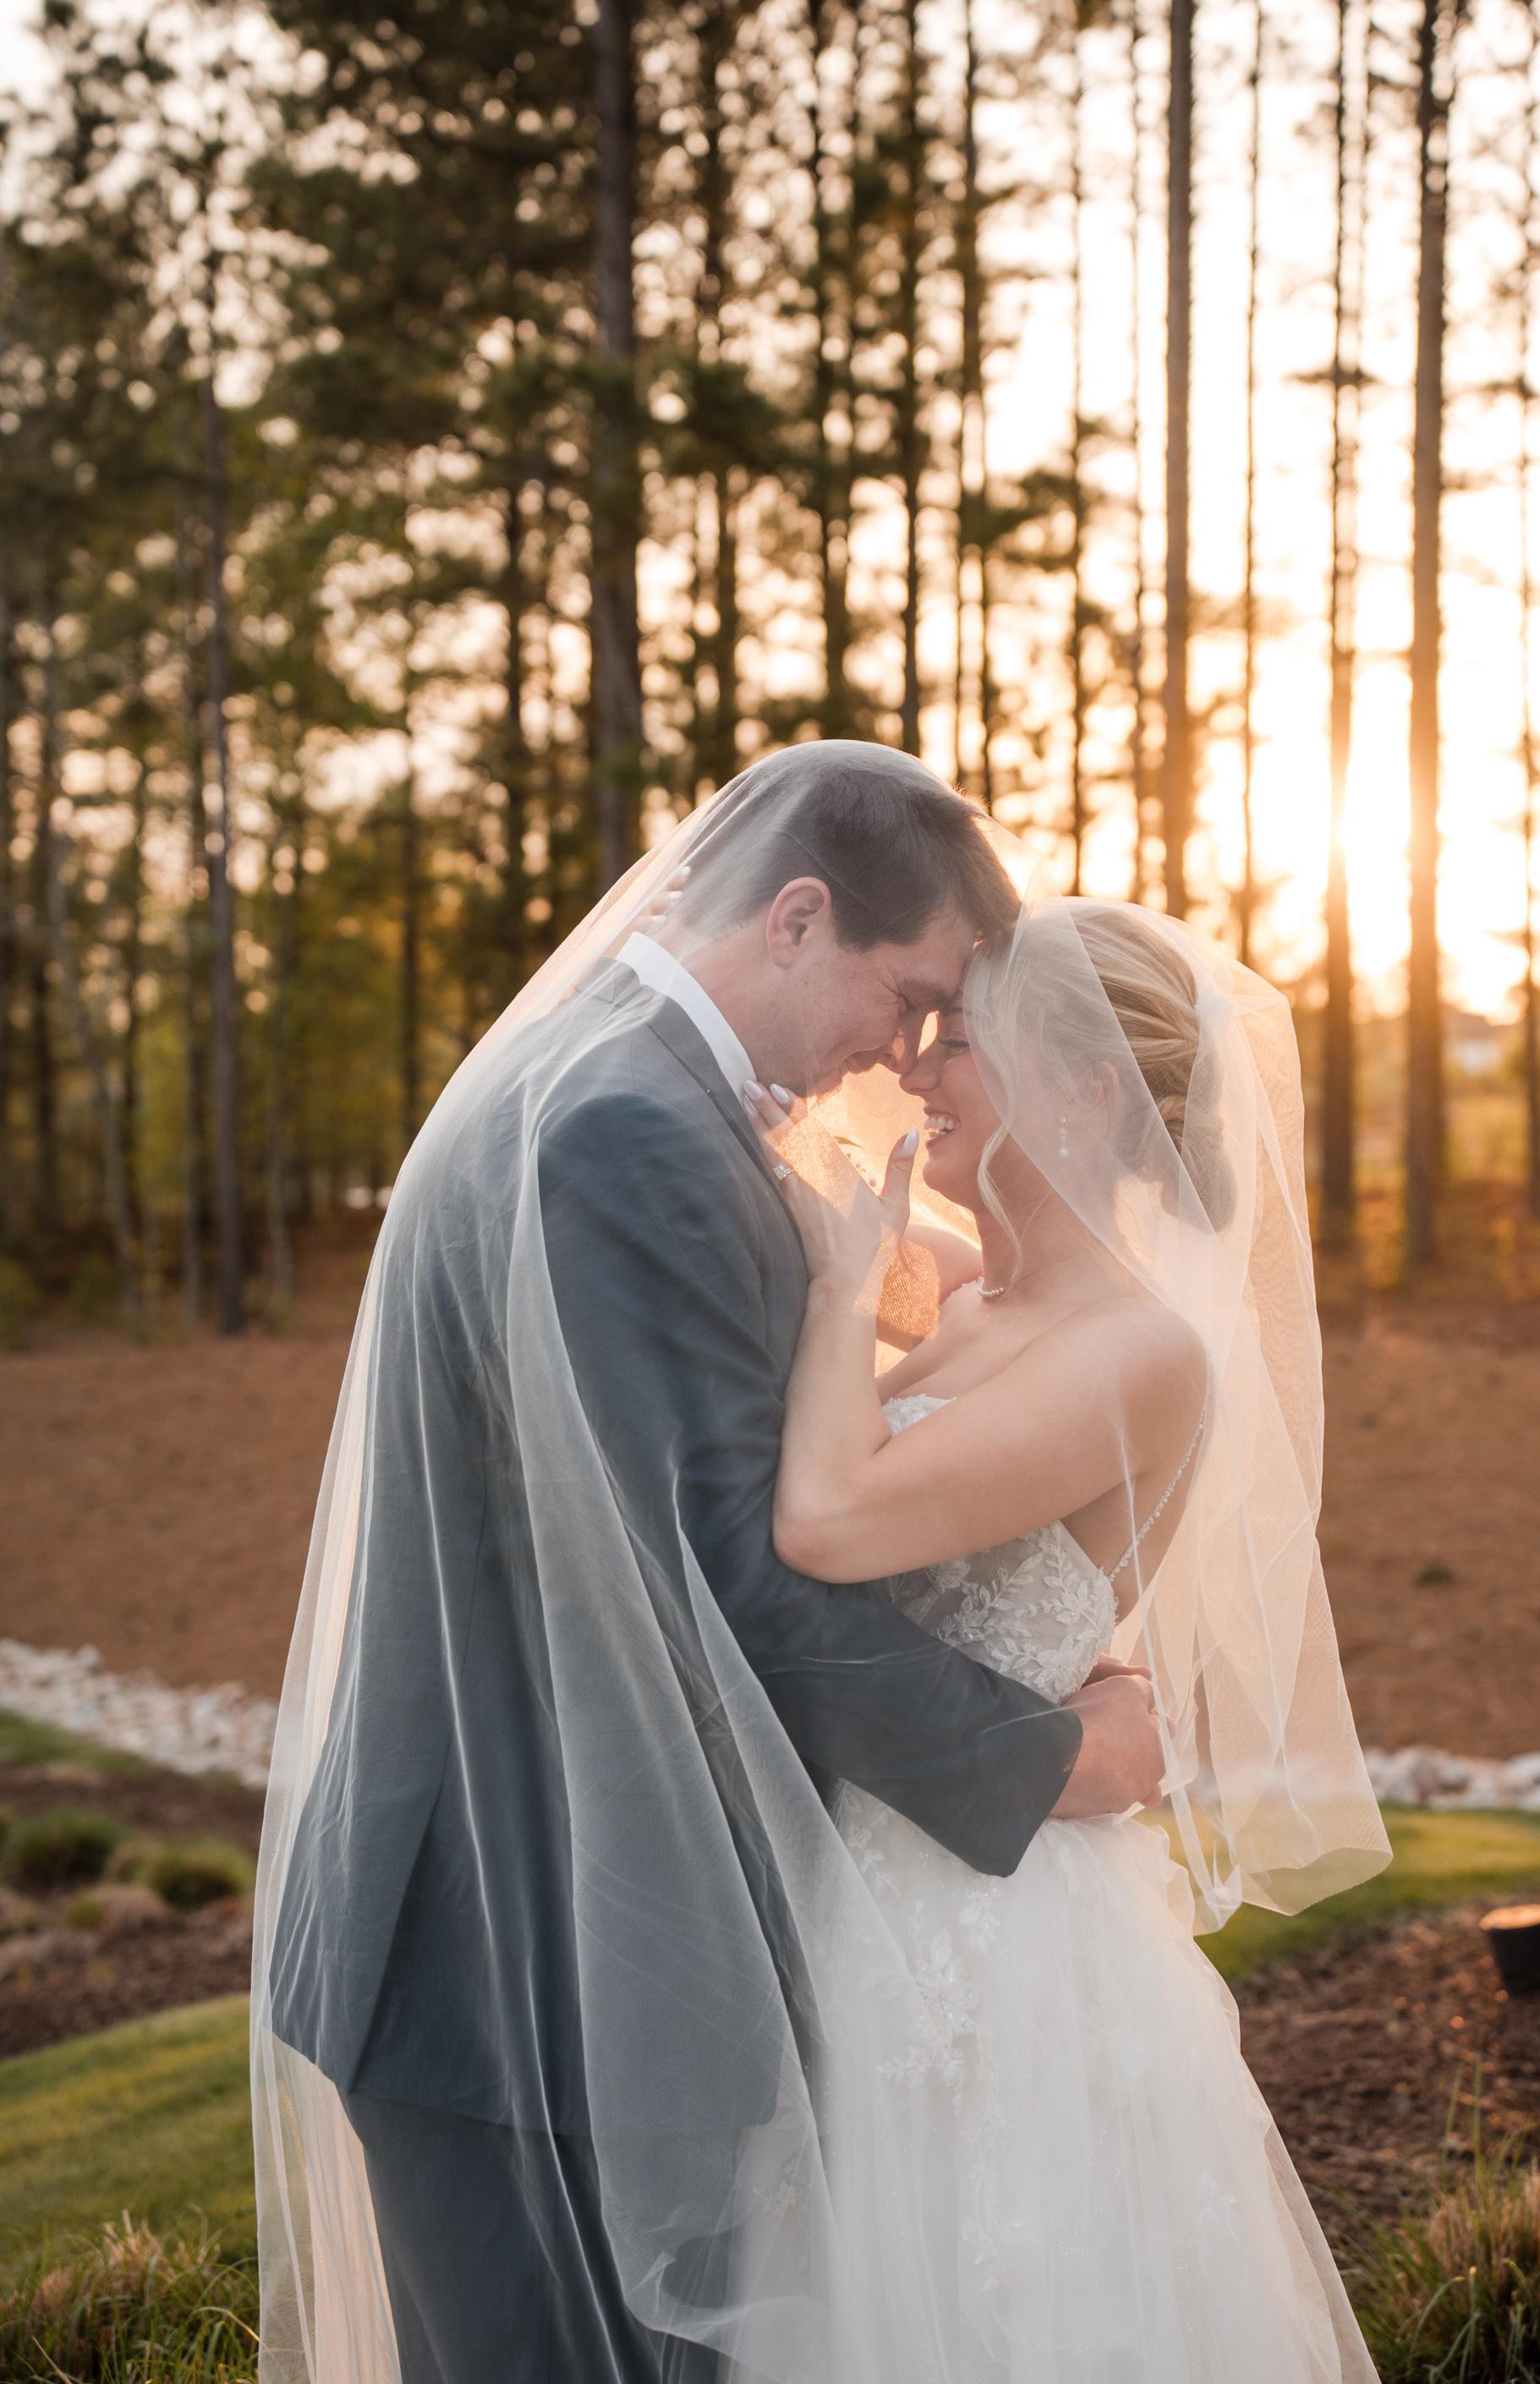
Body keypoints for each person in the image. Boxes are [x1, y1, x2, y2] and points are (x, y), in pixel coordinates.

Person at [252, 744, 1165, 2384]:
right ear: (797, 919)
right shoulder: (633, 1133)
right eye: (909, 999)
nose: (905, 1054)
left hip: (545, 1932)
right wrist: (1052, 1755)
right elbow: (734, 1584)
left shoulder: (624, 1092)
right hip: (530, 1952)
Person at [737, 896, 1391, 2381]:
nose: (913, 1069)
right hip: (842, 1886)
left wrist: (842, 1284)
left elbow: (829, 1519)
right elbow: (783, 1208)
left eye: (958, 1042)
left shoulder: (1139, 1351)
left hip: (986, 1937)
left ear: (1088, 1089)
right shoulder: (970, 1287)